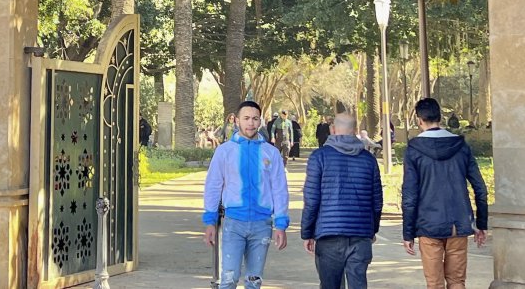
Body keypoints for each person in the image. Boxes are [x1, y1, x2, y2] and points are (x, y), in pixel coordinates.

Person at [401, 98, 488, 289]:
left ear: (419, 119)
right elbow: (480, 188)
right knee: (457, 282)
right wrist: (481, 224)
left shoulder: (414, 150)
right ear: (440, 117)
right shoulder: (461, 147)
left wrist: (408, 233)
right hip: (458, 223)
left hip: (428, 225)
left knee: (434, 283)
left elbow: (409, 195)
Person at [203, 101, 290, 289]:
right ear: (237, 121)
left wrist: (281, 225)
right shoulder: (224, 151)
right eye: (246, 118)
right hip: (234, 224)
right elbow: (213, 186)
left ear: (260, 121)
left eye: (255, 119)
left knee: (254, 282)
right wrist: (210, 221)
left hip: (262, 225)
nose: (250, 123)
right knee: (228, 280)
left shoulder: (271, 153)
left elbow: (279, 189)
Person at [301, 113, 383, 289]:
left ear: (332, 129)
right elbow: (377, 201)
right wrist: (372, 229)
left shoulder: (319, 157)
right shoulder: (369, 160)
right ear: (354, 131)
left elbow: (311, 199)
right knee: (358, 284)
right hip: (360, 235)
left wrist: (307, 232)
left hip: (328, 235)